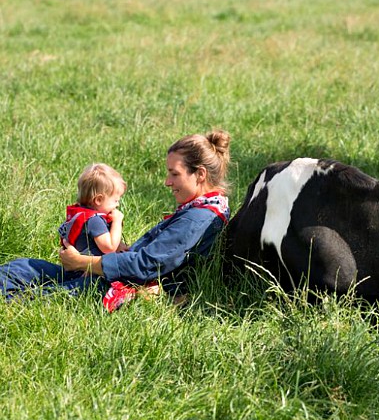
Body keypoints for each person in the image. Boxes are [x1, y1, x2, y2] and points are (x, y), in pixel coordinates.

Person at [0, 130, 231, 311]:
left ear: (199, 174)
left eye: (174, 174)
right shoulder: (198, 209)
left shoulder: (199, 217)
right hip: (110, 273)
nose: (167, 182)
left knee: (28, 300)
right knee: (21, 268)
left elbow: (146, 265)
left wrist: (81, 262)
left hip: (117, 285)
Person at [58, 163, 127, 257]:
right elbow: (109, 248)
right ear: (98, 200)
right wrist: (117, 222)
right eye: (115, 200)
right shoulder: (95, 221)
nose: (117, 205)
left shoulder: (84, 214)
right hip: (89, 270)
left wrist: (119, 245)